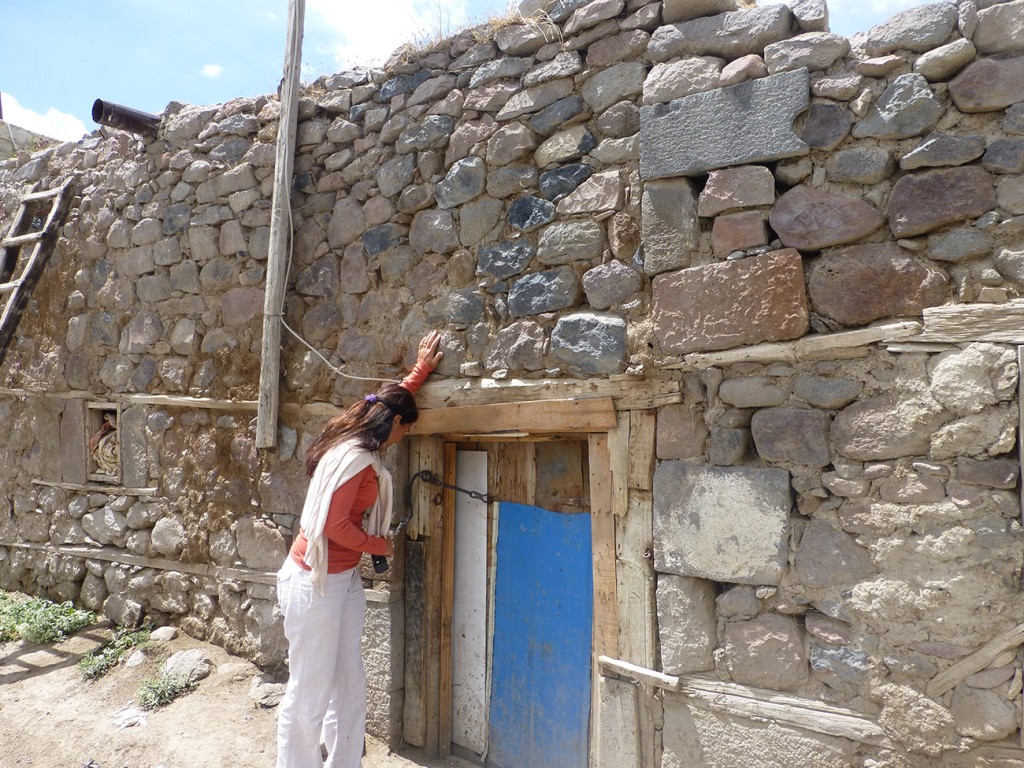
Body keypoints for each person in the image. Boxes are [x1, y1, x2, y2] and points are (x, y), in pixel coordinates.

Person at [276, 330, 443, 768]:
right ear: (394, 426)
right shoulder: (355, 458)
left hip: (341, 578)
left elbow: (391, 400)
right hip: (315, 582)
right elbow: (331, 527)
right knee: (309, 692)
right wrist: (377, 543)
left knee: (348, 682)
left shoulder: (362, 438)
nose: (406, 437)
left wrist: (418, 373)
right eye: (407, 429)